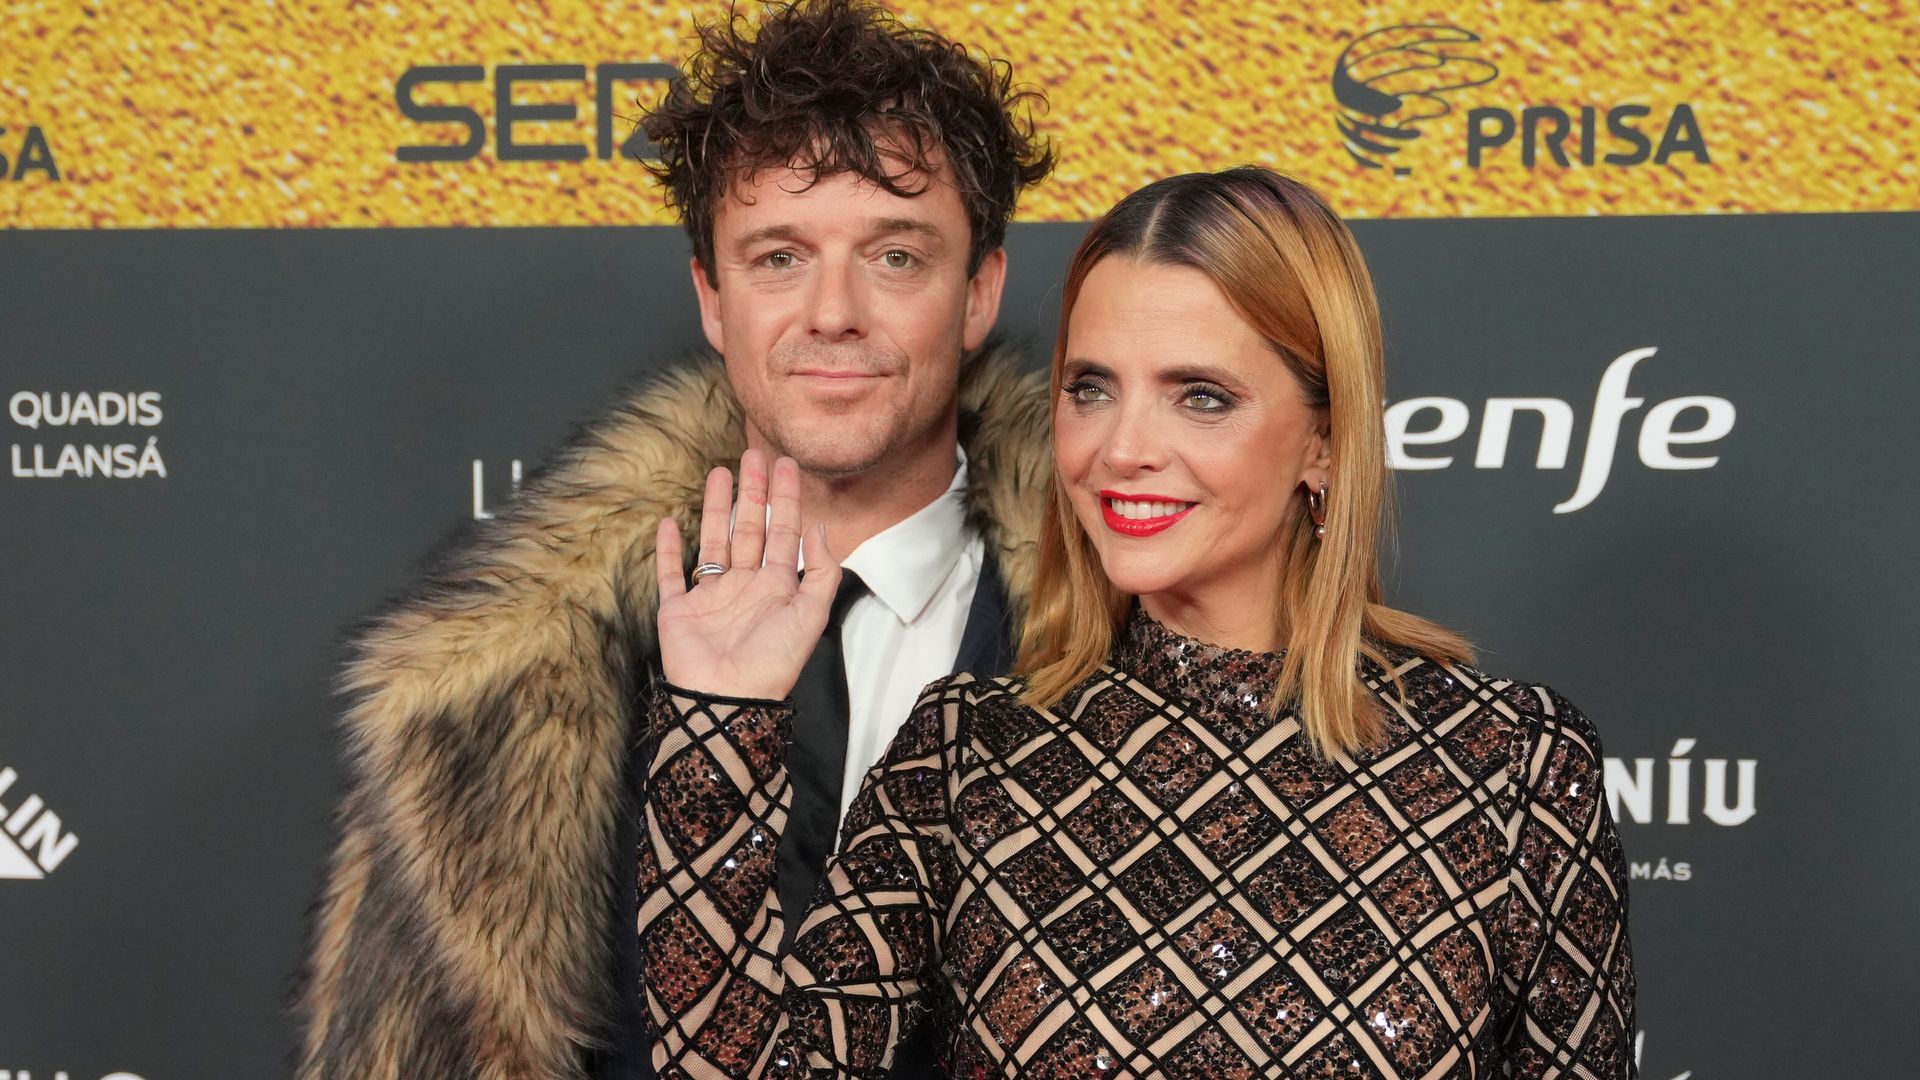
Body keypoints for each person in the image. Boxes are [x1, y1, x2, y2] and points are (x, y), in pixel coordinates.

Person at [639, 167, 1637, 1077]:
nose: (1123, 449)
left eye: (1200, 397)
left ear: (1325, 445)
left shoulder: (1514, 769)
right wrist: (718, 721)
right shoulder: (966, 753)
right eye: (1092, 389)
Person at [292, 2, 1053, 1076]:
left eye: (894, 256)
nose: (832, 312)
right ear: (711, 295)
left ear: (978, 293)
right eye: (779, 257)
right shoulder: (488, 699)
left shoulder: (1141, 644)